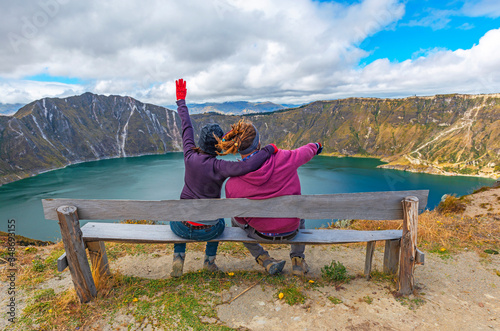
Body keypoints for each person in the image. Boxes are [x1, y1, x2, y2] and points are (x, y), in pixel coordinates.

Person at [170, 79, 277, 277]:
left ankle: (178, 257)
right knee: (219, 221)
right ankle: (209, 262)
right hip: (209, 229)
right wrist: (270, 149)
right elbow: (248, 165)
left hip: (181, 228)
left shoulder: (189, 155)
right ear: (218, 146)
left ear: (200, 141)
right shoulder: (220, 167)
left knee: (178, 212)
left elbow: (187, 127)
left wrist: (181, 101)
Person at [216, 120, 322, 276]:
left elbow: (241, 219)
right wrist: (316, 146)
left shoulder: (232, 183)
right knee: (300, 212)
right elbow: (305, 151)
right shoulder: (284, 157)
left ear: (237, 148)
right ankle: (298, 259)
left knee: (234, 220)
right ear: (259, 142)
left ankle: (263, 258)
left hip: (260, 233)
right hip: (291, 230)